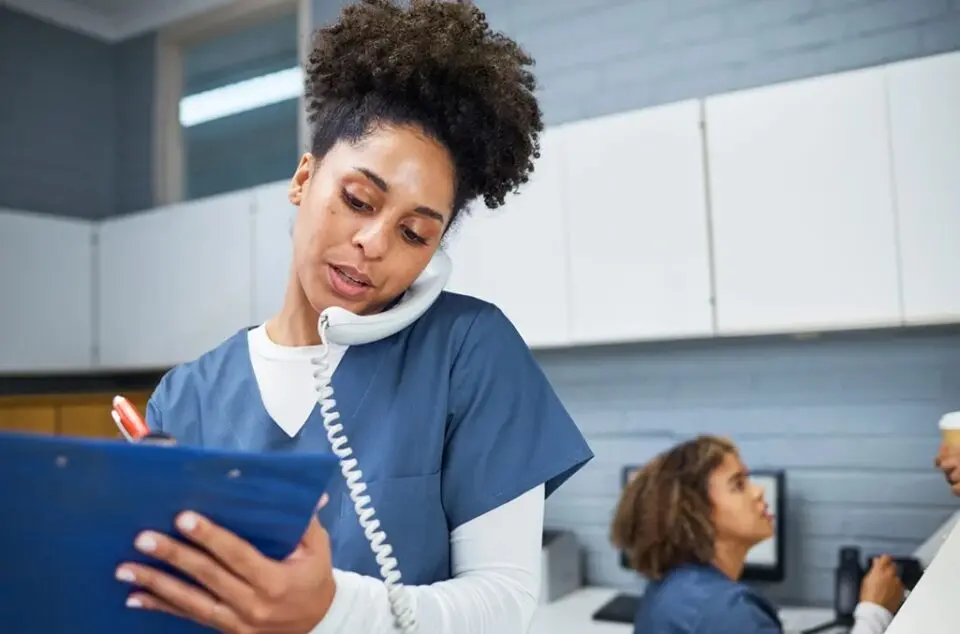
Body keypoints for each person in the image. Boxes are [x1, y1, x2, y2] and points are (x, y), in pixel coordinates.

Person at [111, 1, 594, 633]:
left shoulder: (468, 350)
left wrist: (330, 610)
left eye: (415, 234)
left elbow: (501, 603)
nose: (374, 242)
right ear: (303, 177)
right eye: (357, 199)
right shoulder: (186, 397)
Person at [610, 435, 904, 634]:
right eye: (738, 484)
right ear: (694, 511)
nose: (759, 491)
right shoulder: (729, 613)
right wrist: (873, 613)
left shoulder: (669, 588)